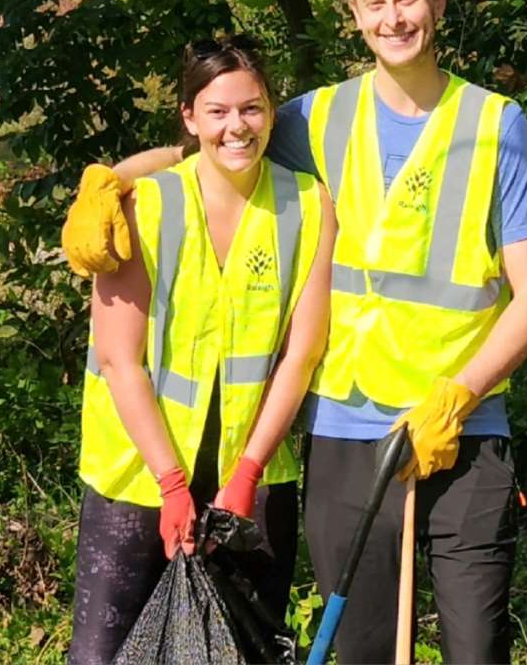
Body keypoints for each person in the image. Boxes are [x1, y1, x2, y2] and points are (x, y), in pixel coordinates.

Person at [64, 0, 527, 664]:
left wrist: (458, 395)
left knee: (476, 649)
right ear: (354, 14)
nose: (394, 18)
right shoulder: (316, 119)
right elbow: (220, 141)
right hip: (349, 431)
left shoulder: (495, 126)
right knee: (359, 650)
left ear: (440, 2)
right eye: (376, 2)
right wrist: (110, 181)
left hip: (463, 426)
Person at [66, 37, 335, 665]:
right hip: (137, 478)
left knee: (246, 652)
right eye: (217, 112)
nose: (237, 127)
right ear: (189, 118)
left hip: (252, 481)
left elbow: (302, 353)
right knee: (107, 654)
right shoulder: (144, 205)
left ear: (270, 112)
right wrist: (171, 484)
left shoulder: (307, 205)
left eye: (252, 109)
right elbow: (119, 359)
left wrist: (247, 474)